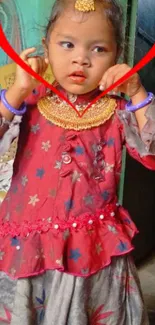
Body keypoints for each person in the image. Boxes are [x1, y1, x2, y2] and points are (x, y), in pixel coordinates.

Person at [0, 0, 155, 324]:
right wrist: (16, 92)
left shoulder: (118, 109)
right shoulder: (31, 97)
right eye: (67, 44)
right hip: (29, 248)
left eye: (98, 49)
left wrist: (138, 92)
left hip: (93, 253)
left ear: (117, 57)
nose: (80, 58)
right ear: (46, 47)